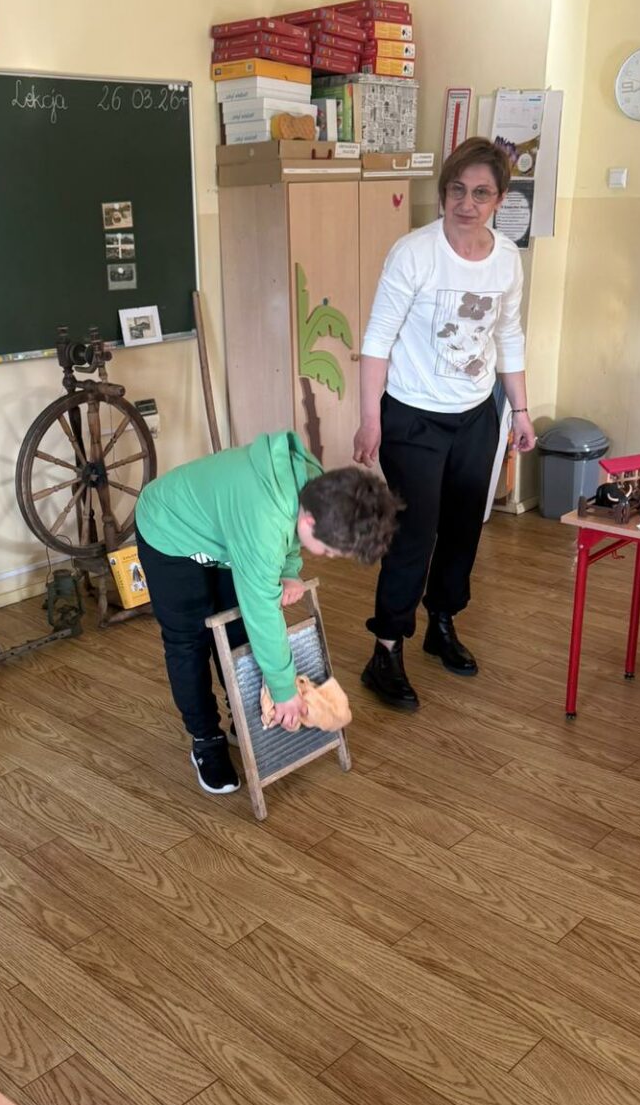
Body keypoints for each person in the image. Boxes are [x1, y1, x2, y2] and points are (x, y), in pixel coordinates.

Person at [353, 136, 536, 711]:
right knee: (415, 532)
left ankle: (442, 622)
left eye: (481, 193)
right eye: (457, 190)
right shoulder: (414, 253)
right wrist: (370, 420)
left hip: (477, 415)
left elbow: (508, 333)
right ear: (443, 193)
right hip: (412, 416)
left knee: (463, 528)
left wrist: (520, 410)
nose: (467, 203)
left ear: (499, 199)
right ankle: (386, 651)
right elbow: (378, 340)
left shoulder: (507, 260)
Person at [135, 431, 400, 794]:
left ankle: (242, 717)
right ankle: (206, 740)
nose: (328, 557)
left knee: (238, 632)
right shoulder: (262, 524)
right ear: (310, 523)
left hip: (226, 528)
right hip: (170, 529)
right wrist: (284, 688)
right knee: (189, 641)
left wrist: (289, 570)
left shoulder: (315, 483)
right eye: (329, 551)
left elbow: (288, 533)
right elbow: (261, 609)